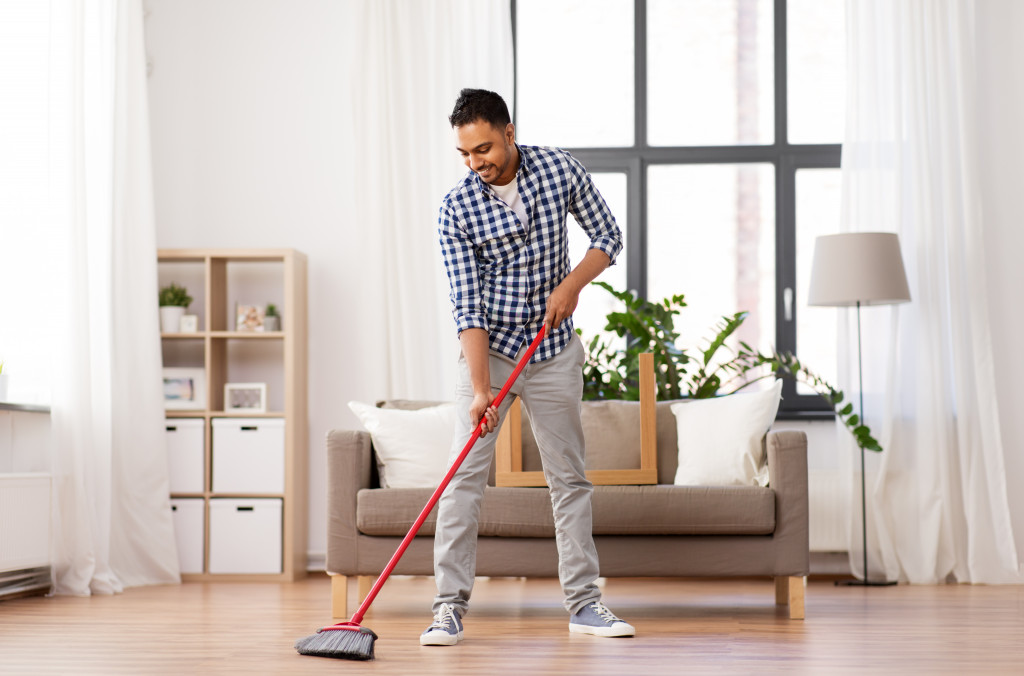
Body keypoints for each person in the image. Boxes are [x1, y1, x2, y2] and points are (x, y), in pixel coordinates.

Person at [422, 88, 635, 646]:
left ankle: (586, 606)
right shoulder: (457, 209)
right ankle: (448, 607)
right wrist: (478, 389)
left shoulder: (559, 169)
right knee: (463, 478)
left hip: (553, 350)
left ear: (510, 132)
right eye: (465, 154)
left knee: (569, 477)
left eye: (485, 148)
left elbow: (609, 238)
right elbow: (466, 306)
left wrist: (571, 284)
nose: (477, 163)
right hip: (489, 354)